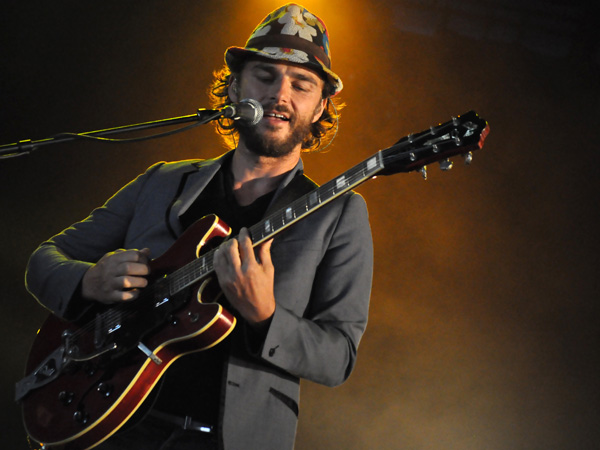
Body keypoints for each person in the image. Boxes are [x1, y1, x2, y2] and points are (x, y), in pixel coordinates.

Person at [25, 4, 373, 450]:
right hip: (110, 421)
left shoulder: (338, 214)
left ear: (320, 105)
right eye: (264, 76)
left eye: (301, 84)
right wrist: (88, 281)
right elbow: (43, 260)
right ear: (234, 87)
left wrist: (266, 317)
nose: (280, 95)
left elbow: (337, 357)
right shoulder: (162, 181)